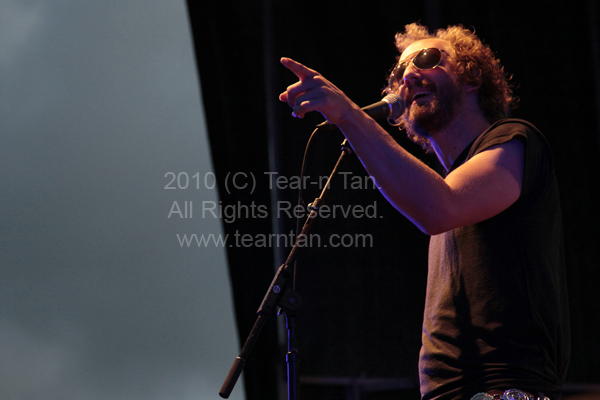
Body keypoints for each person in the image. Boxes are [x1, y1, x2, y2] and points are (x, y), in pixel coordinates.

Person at [279, 23, 570, 400]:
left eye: (428, 59)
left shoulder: (515, 141)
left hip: (503, 389)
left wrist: (349, 116)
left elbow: (440, 207)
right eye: (399, 72)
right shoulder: (441, 187)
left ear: (471, 76)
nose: (408, 75)